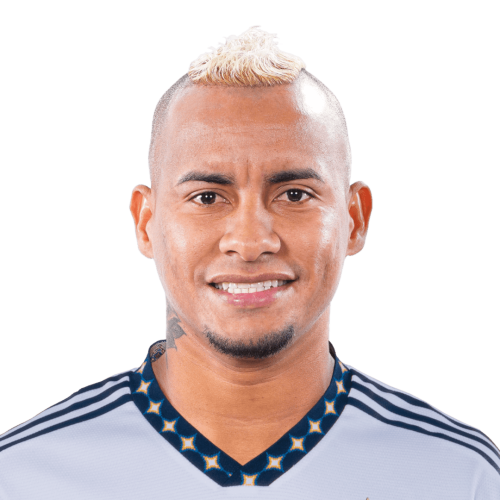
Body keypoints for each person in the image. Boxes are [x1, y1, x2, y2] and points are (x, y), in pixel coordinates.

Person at [0, 25, 498, 499]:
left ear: (355, 219)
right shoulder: (20, 475)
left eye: (295, 194)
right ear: (146, 223)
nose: (251, 241)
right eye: (207, 197)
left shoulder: (463, 475)